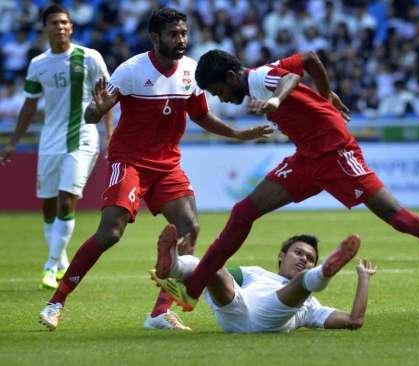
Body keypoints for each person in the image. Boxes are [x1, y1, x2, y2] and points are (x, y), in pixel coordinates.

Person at [151, 49, 419, 313]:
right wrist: (325, 94)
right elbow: (310, 59)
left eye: (218, 91)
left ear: (231, 76)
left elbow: (291, 78)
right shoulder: (259, 77)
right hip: (309, 158)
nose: (222, 99)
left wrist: (276, 100)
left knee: (398, 217)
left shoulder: (259, 81)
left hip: (336, 154)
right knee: (244, 211)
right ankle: (192, 289)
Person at [37, 8, 273, 331]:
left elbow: (201, 116)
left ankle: (160, 312)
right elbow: (93, 114)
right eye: (174, 34)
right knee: (110, 233)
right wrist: (96, 108)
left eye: (184, 33)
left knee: (189, 227)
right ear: (155, 37)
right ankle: (56, 302)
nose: (181, 40)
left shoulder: (190, 71)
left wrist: (238, 133)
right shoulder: (131, 71)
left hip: (166, 165)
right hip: (130, 161)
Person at [0, 5, 113, 290]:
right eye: (54, 23)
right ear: (45, 28)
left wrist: (110, 135)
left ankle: (50, 265)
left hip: (84, 136)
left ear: (72, 27)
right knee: (49, 205)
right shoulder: (38, 64)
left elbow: (106, 98)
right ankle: (61, 259)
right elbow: (29, 104)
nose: (60, 27)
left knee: (66, 200)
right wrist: (13, 142)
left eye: (65, 23)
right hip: (50, 139)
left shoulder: (90, 57)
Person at [151, 225, 375, 333]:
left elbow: (354, 321)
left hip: (269, 318)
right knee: (213, 266)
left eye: (309, 259)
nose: (303, 259)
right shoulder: (255, 273)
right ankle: (176, 265)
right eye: (298, 253)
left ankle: (324, 272)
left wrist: (364, 278)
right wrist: (185, 280)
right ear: (281, 256)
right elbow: (211, 273)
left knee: (302, 284)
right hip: (236, 310)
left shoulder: (310, 306)